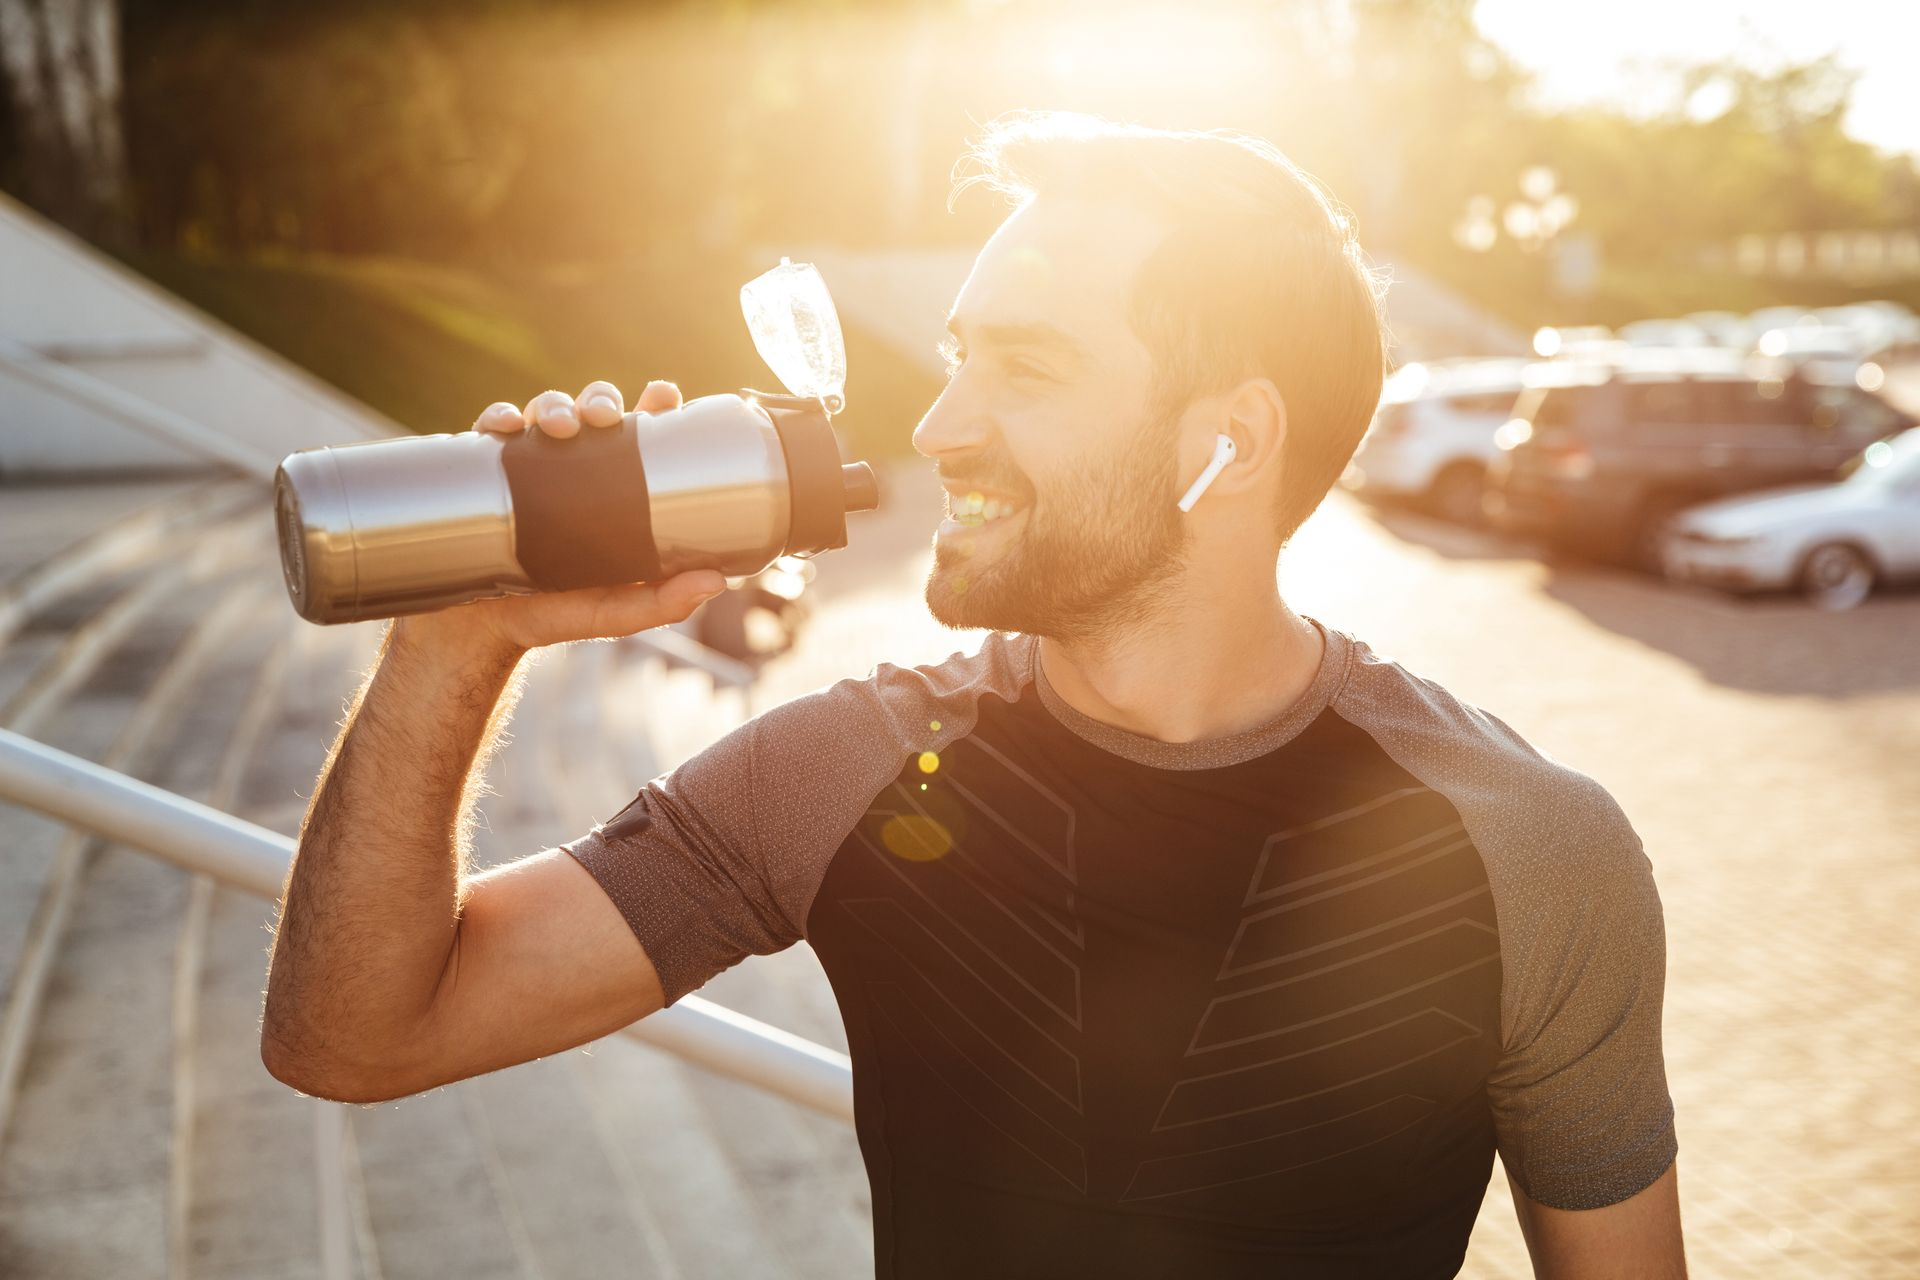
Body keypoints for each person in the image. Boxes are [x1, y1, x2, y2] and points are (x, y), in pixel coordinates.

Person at [262, 110, 1686, 1278]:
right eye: (958, 356)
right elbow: (355, 1035)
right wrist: (458, 649)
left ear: (1229, 444)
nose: (943, 426)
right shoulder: (842, 771)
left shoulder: (1531, 849)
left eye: (1028, 366)